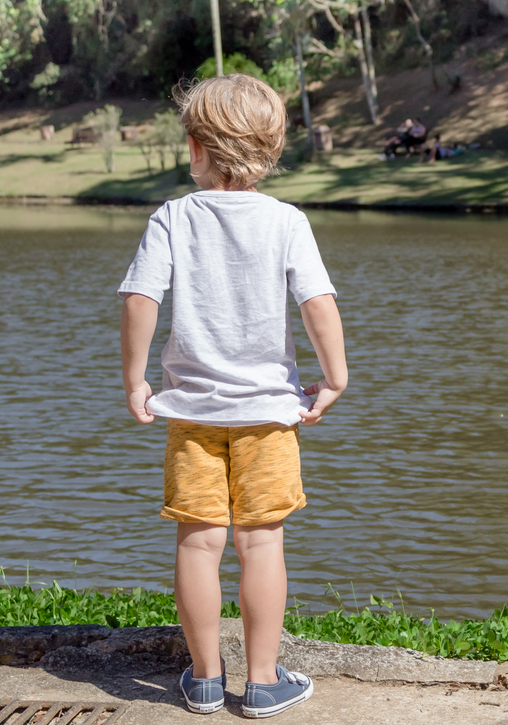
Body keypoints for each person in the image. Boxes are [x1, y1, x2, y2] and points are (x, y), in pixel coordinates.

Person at [118, 74, 347, 718]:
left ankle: (206, 679)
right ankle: (265, 681)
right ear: (271, 148)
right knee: (261, 542)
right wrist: (335, 377)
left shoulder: (173, 216)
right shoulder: (286, 221)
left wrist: (137, 379)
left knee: (199, 541)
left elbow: (141, 299)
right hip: (269, 415)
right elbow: (317, 305)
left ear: (194, 145)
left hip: (191, 413)